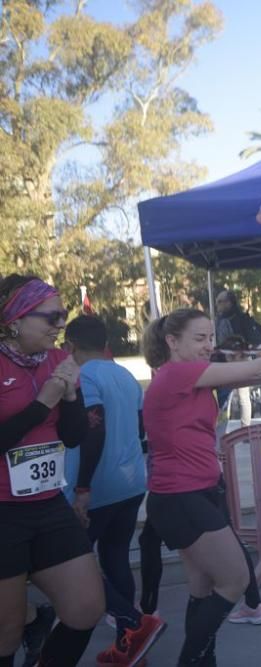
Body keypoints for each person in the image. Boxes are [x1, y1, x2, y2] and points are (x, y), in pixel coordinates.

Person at [141, 308, 261, 665]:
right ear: (172, 341)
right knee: (235, 579)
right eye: (200, 338)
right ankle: (190, 660)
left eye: (211, 337)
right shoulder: (176, 375)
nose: (208, 345)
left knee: (201, 589)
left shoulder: (196, 379)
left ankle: (203, 661)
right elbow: (259, 369)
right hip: (179, 497)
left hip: (198, 492)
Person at [0, 274, 105, 667]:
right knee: (6, 631)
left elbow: (73, 437)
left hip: (47, 504)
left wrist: (72, 396)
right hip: (2, 511)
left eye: (63, 315)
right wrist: (42, 404)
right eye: (52, 317)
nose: (61, 324)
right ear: (15, 319)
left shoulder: (59, 360)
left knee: (86, 608)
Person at [62, 315, 166, 665]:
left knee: (72, 563)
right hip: (131, 481)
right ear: (105, 342)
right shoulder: (123, 374)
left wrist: (82, 487)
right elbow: (139, 426)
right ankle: (131, 642)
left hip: (97, 486)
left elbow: (94, 430)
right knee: (116, 556)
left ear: (71, 345)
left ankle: (134, 624)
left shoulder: (84, 376)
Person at [214, 290, 261, 429]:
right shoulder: (236, 318)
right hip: (235, 360)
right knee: (238, 397)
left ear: (229, 303)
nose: (217, 305)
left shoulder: (231, 321)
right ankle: (243, 429)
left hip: (234, 361)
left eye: (220, 301)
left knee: (235, 397)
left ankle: (239, 429)